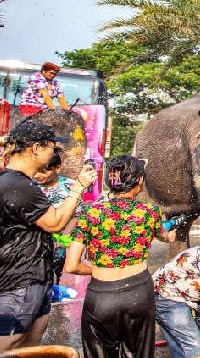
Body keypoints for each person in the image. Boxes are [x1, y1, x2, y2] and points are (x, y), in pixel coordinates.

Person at [65, 155, 175, 358]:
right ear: (140, 181)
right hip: (138, 294)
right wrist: (171, 233)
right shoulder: (149, 212)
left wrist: (99, 271)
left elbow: (71, 266)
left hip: (101, 296)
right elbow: (165, 236)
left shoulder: (90, 213)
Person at [0, 121, 95, 351]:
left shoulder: (22, 183)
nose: (54, 153)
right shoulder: (16, 185)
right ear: (36, 148)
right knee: (9, 346)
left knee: (31, 348)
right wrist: (79, 186)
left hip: (36, 279)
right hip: (18, 283)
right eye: (52, 147)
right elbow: (55, 223)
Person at [33, 150, 78, 286]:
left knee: (55, 275)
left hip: (59, 242)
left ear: (57, 168)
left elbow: (77, 214)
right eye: (37, 171)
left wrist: (64, 237)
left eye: (44, 172)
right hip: (35, 242)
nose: (38, 176)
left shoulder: (71, 186)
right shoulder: (31, 186)